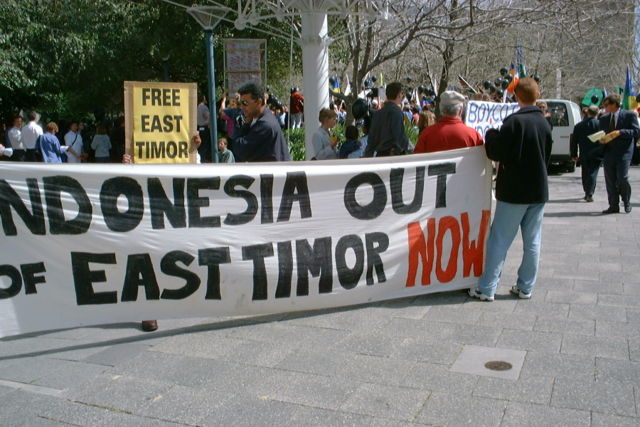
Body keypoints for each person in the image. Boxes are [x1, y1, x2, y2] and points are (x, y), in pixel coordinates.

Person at [469, 77, 553, 301]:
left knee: (499, 240)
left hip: (515, 192)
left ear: (516, 96)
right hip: (538, 191)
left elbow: (495, 152)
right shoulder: (544, 123)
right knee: (533, 242)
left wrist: (490, 134)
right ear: (537, 95)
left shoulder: (514, 122)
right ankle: (526, 287)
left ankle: (487, 288)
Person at [598, 94, 640, 214]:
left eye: (606, 105)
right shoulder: (604, 118)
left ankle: (626, 202)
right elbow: (602, 133)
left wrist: (620, 132)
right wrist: (601, 139)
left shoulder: (628, 115)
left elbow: (636, 131)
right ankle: (613, 205)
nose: (604, 108)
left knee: (623, 178)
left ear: (614, 105)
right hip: (609, 152)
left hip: (624, 152)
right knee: (610, 179)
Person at [233, 82, 291, 162]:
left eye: (245, 103)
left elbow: (239, 149)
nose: (242, 107)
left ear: (259, 102)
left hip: (272, 172)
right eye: (240, 103)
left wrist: (246, 125)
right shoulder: (265, 117)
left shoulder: (264, 124)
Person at [413, 91, 483, 154]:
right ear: (461, 110)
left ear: (441, 110)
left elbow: (416, 160)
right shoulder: (473, 135)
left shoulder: (426, 134)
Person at [364, 81, 409, 157]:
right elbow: (399, 138)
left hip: (379, 156)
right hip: (392, 157)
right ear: (398, 95)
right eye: (401, 94)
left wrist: (368, 156)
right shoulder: (397, 112)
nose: (402, 96)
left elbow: (371, 139)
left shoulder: (377, 113)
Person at [570, 105, 602, 202]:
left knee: (585, 173)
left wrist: (574, 154)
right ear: (597, 113)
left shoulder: (579, 125)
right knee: (593, 173)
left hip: (584, 153)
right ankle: (589, 193)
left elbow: (574, 141)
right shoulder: (600, 124)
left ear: (588, 113)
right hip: (597, 153)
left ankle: (586, 191)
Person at [196, 95, 211, 162]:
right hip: (204, 128)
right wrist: (208, 123)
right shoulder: (204, 107)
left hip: (198, 128)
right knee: (204, 146)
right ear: (203, 99)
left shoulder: (196, 107)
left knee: (199, 145)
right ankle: (203, 160)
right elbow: (208, 117)